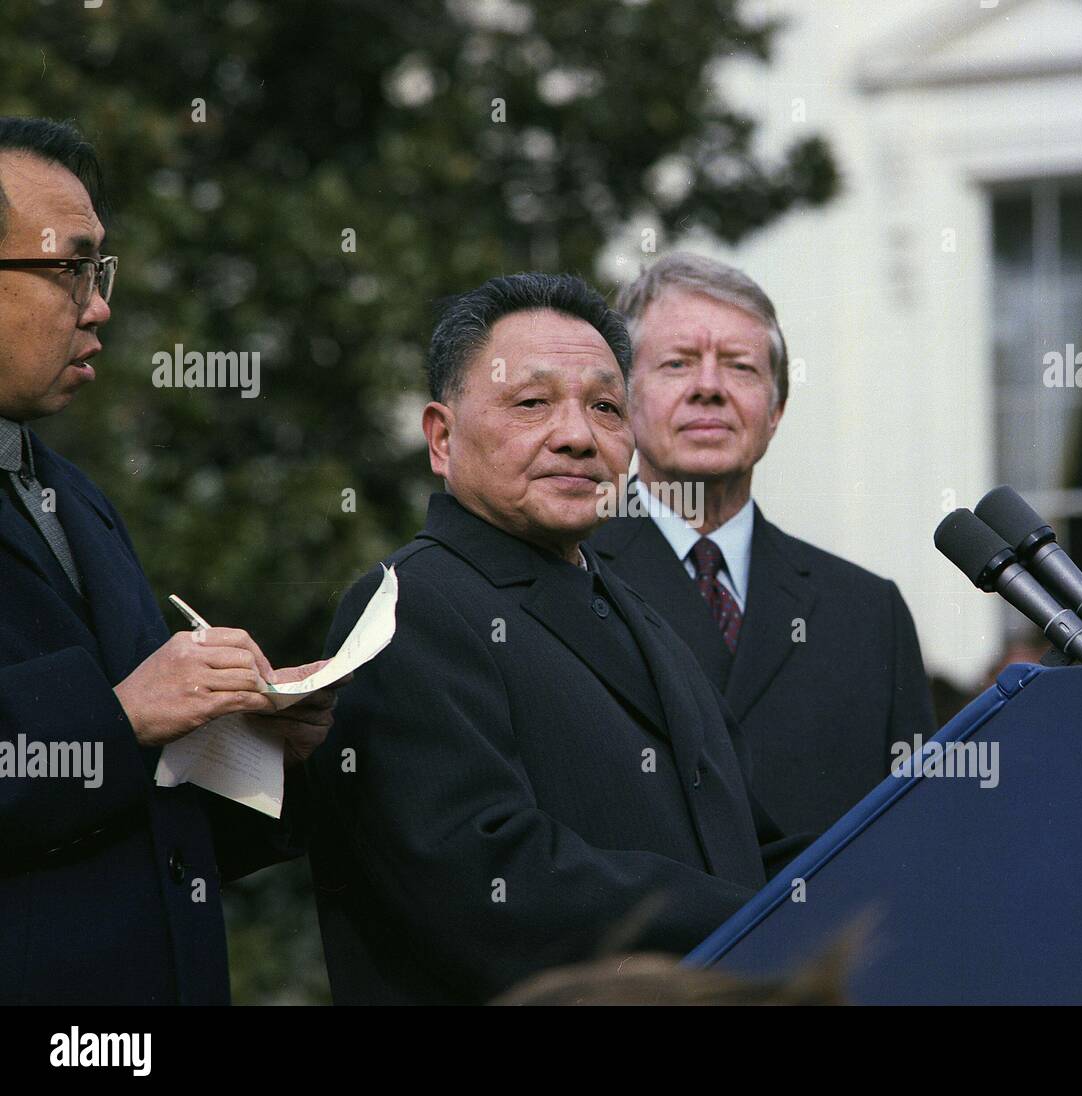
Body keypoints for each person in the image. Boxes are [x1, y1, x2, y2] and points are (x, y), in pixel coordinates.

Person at [307, 273, 803, 1005]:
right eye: (532, 402)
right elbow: (490, 883)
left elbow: (743, 842)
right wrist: (762, 924)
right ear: (442, 438)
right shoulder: (410, 608)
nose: (576, 436)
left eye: (605, 406)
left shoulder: (636, 608)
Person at [0, 117, 337, 1004]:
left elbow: (141, 821)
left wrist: (258, 753)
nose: (100, 303)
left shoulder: (75, 497)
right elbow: (115, 733)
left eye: (98, 269)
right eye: (69, 267)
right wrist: (120, 715)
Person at [590, 252, 935, 835]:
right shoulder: (567, 574)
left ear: (775, 410)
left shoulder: (868, 612)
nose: (709, 388)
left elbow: (921, 831)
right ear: (623, 401)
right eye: (677, 364)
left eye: (739, 367)